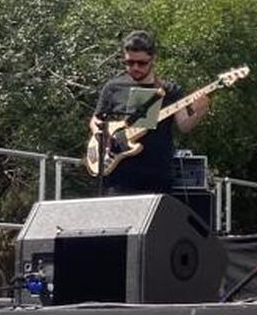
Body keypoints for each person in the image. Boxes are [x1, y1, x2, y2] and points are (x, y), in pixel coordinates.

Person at [89, 31, 210, 195]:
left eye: (141, 63)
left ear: (153, 60)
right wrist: (100, 135)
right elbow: (96, 119)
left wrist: (200, 111)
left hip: (157, 177)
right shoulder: (113, 87)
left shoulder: (170, 91)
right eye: (129, 63)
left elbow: (184, 126)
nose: (135, 68)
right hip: (119, 178)